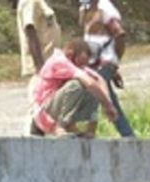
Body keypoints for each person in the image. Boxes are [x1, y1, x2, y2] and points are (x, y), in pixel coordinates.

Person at [30, 39, 118, 138]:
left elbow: (99, 80)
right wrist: (107, 106)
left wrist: (108, 104)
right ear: (70, 55)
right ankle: (61, 126)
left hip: (56, 108)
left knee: (94, 89)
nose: (81, 67)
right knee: (77, 85)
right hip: (44, 113)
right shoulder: (59, 61)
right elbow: (89, 83)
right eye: (80, 63)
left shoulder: (75, 64)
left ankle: (89, 130)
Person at [80, 0, 135, 138]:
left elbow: (119, 34)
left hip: (103, 64)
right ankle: (128, 136)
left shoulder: (105, 8)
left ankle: (90, 132)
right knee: (107, 99)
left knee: (95, 93)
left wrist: (114, 62)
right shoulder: (86, 9)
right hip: (94, 65)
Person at [17, 0, 61, 80]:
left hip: (50, 63)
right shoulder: (30, 2)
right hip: (42, 67)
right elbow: (30, 33)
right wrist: (41, 68)